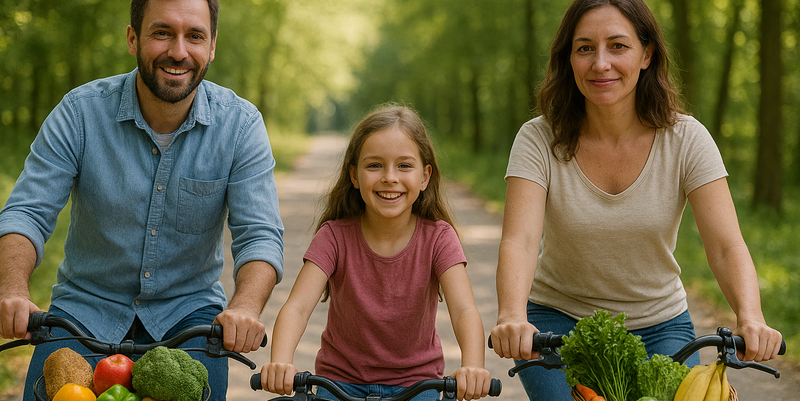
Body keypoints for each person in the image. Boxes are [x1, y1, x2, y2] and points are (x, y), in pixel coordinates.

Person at [488, 0, 783, 399]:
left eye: (618, 46)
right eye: (585, 48)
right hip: (557, 322)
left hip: (660, 324)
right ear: (569, 59)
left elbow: (726, 245)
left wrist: (751, 317)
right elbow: (520, 242)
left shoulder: (687, 139)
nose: (601, 63)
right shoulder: (538, 138)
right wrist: (511, 316)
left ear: (646, 54)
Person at [0, 0, 284, 400]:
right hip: (83, 311)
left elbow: (260, 235)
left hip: (190, 318)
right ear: (133, 38)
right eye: (162, 32)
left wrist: (246, 307)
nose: (179, 51)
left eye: (195, 36)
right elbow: (27, 212)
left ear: (213, 45)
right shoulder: (80, 113)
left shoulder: (240, 125)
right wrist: (12, 290)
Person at [258, 105, 491, 401]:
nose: (390, 178)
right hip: (339, 384)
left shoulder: (439, 238)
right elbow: (297, 308)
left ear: (424, 176)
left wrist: (473, 366)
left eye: (404, 166)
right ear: (354, 176)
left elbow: (464, 310)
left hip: (417, 385)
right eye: (375, 165)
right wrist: (281, 361)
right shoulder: (334, 236)